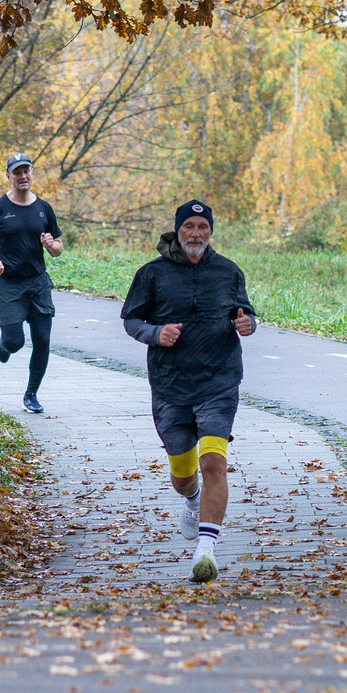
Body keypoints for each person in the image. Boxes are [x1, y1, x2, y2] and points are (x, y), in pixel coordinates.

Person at [120, 199, 257, 582]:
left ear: (210, 231)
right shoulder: (152, 274)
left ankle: (206, 550)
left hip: (219, 382)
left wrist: (247, 325)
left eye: (202, 227)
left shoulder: (229, 271)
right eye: (189, 227)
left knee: (213, 462)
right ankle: (193, 500)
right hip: (170, 386)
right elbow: (131, 320)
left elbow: (244, 314)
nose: (196, 234)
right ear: (177, 231)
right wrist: (155, 333)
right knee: (183, 476)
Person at [0, 152, 64, 414]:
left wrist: (50, 245)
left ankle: (31, 394)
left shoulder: (43, 208)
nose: (23, 176)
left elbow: (58, 248)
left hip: (38, 283)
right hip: (9, 284)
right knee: (15, 342)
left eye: (27, 171)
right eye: (18, 172)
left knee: (43, 339)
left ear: (32, 173)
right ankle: (3, 346)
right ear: (8, 176)